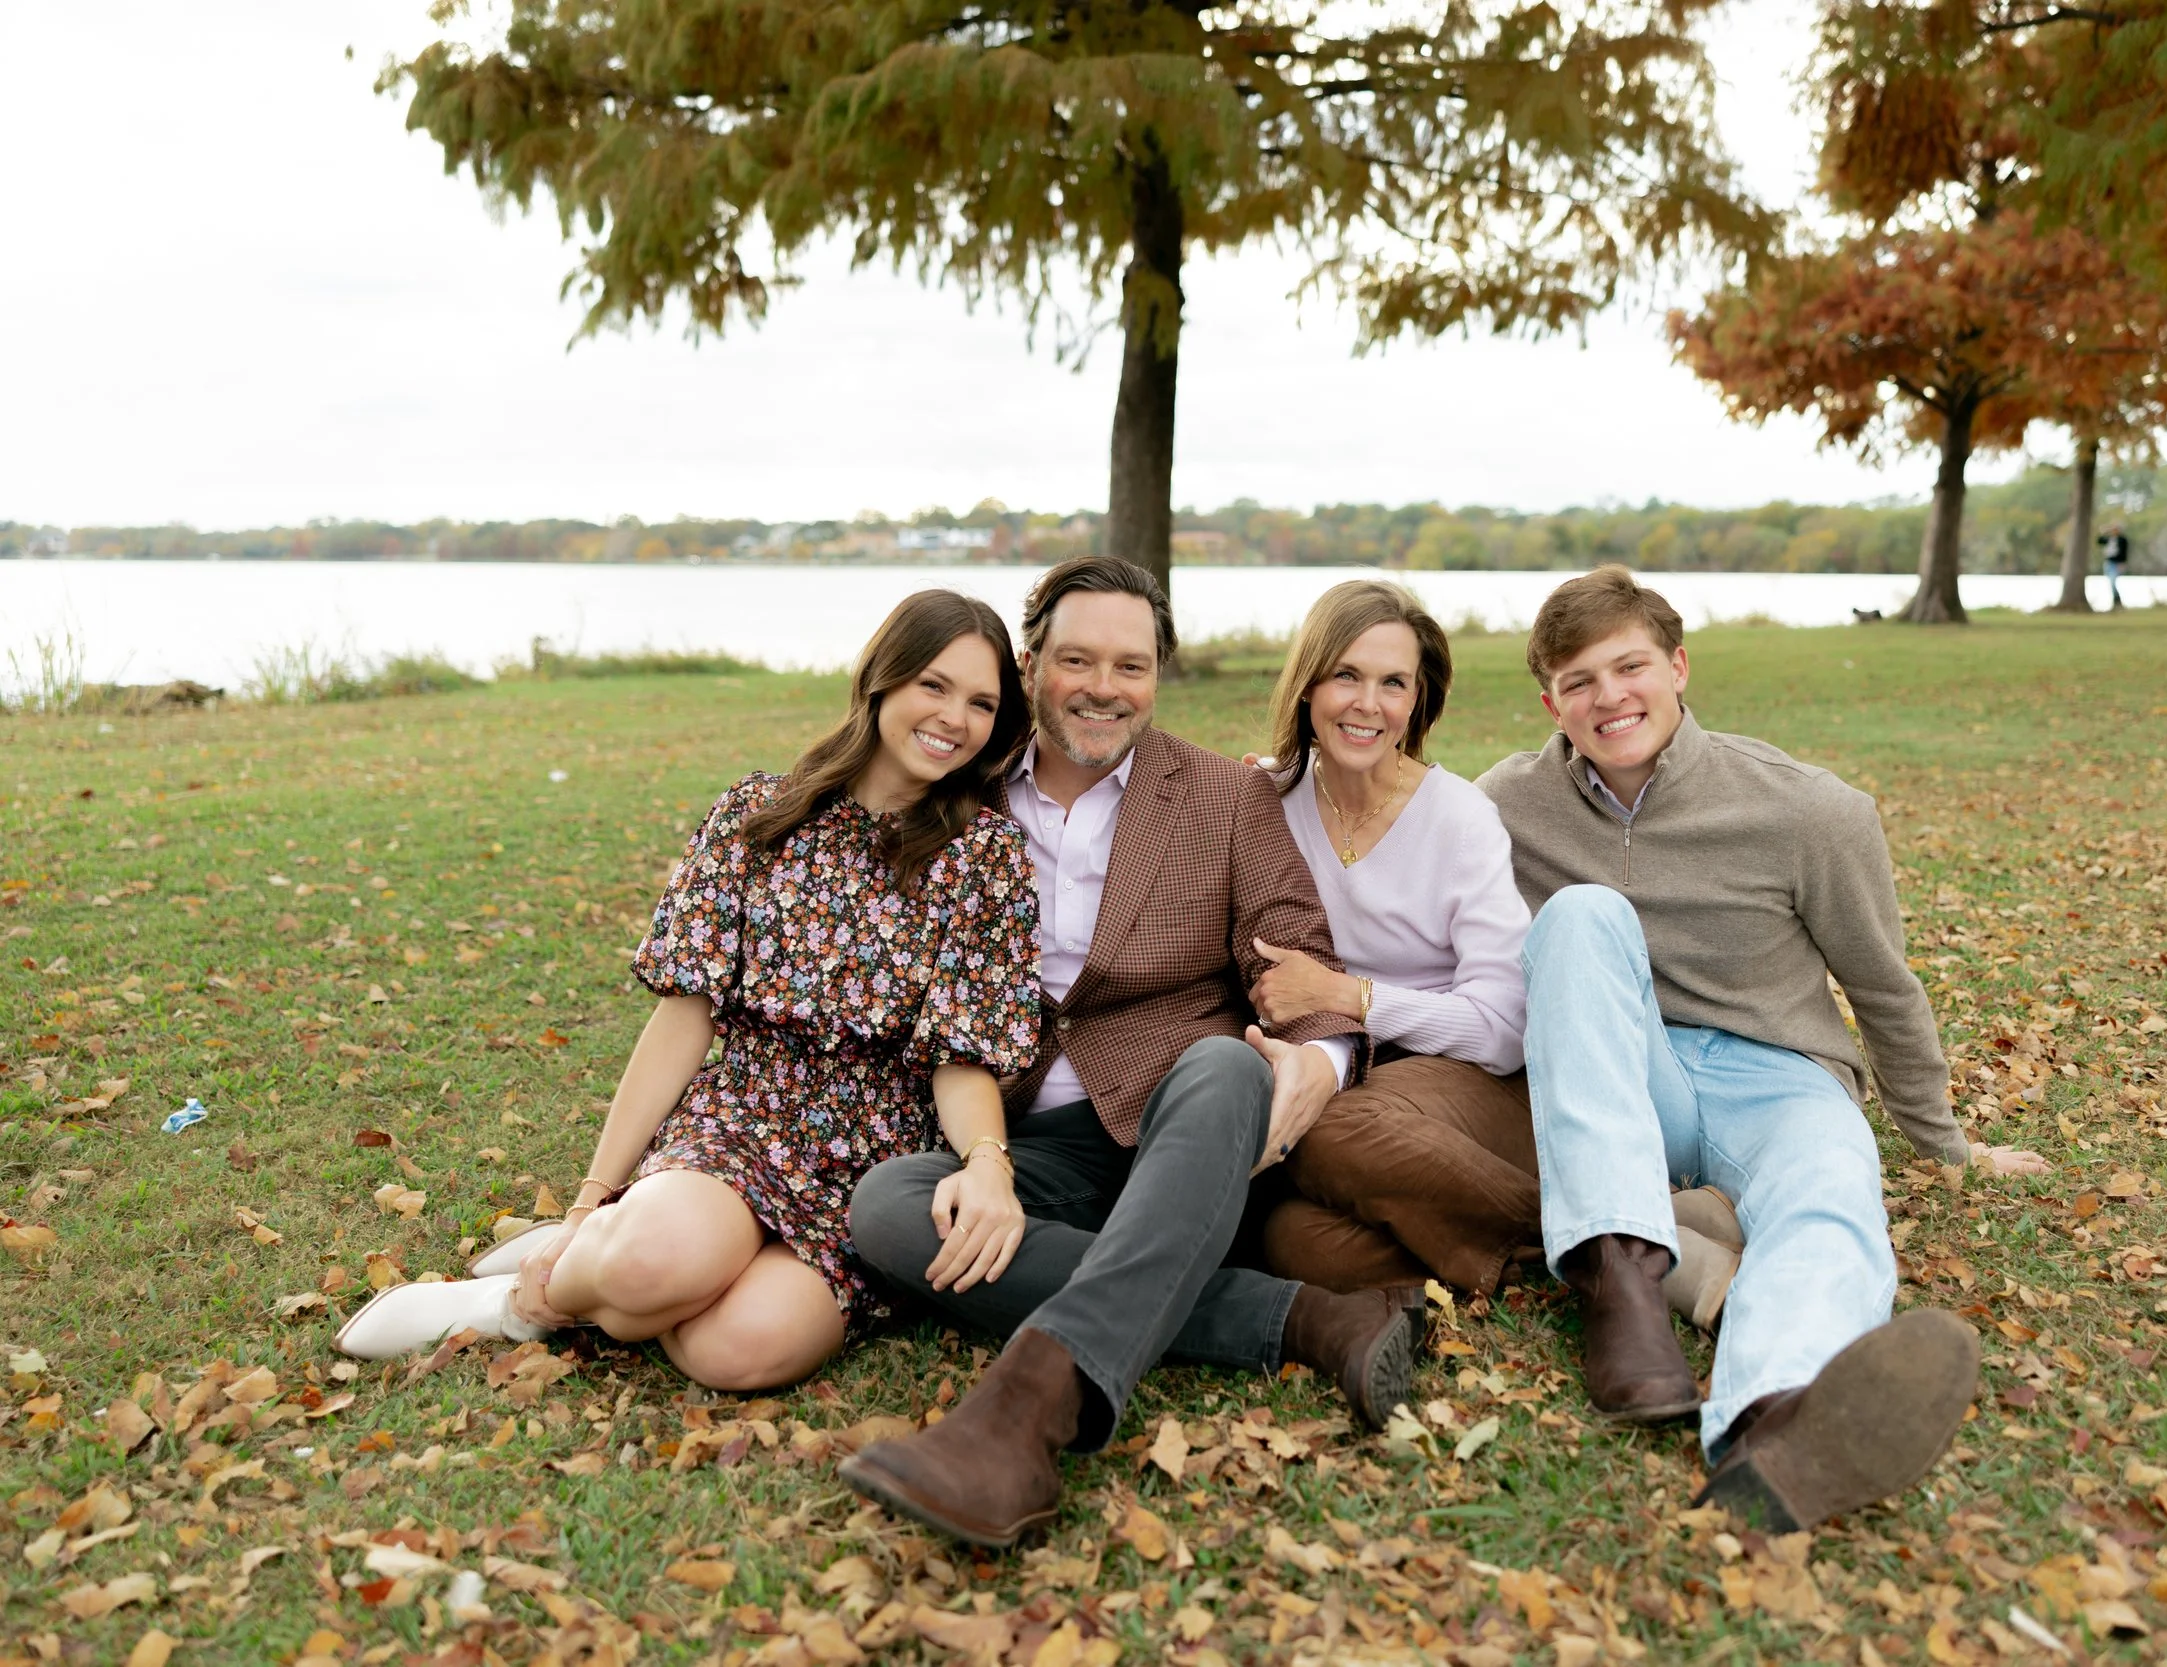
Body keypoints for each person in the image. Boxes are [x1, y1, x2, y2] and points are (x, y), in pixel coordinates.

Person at [837, 556, 1425, 1551]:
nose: (1104, 687)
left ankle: (1025, 1414)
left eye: (1131, 664)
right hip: (1024, 1145)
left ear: (1158, 674)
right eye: (1076, 659)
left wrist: (1316, 1063)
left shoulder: (1224, 797)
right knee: (888, 1204)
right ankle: (1309, 1322)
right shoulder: (960, 785)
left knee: (1226, 1063)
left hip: (1183, 1125)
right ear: (1030, 663)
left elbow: (1301, 958)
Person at [332, 590, 1044, 1391]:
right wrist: (589, 1199)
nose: (955, 717)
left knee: (736, 1352)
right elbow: (683, 1018)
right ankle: (519, 1299)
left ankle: (634, 1269)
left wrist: (988, 1160)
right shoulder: (759, 813)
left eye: (983, 703)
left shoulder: (988, 857)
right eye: (935, 686)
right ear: (883, 678)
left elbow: (960, 1054)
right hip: (739, 1121)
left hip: (870, 1161)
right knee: (654, 1266)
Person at [1477, 565, 2048, 1531]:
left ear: (1680, 667)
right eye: (1580, 682)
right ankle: (1628, 1275)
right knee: (1577, 918)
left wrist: (1946, 1142)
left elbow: (1881, 987)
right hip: (1626, 1077)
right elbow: (1392, 853)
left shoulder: (1808, 811)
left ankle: (1775, 1420)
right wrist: (1280, 786)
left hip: (1776, 1075)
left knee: (1828, 1190)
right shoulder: (1503, 804)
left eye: (1631, 667)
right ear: (1551, 703)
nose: (1610, 697)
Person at [1243, 581, 1742, 1323]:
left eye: (1393, 683)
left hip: (1482, 1085)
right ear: (1308, 681)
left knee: (1326, 1131)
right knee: (1292, 1241)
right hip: (1373, 1100)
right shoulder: (1262, 801)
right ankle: (1642, 1227)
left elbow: (1506, 1028)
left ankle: (1641, 1250)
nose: (1367, 703)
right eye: (1346, 674)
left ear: (1418, 700)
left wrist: (1352, 999)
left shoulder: (1458, 815)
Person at [2099, 525, 2130, 609]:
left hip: (2117, 563)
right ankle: (2115, 603)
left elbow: (2124, 552)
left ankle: (2117, 601)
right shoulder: (2109, 539)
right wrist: (2104, 532)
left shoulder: (2122, 540)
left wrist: (2122, 563)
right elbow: (2099, 541)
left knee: (2113, 582)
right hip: (2108, 563)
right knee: (2110, 583)